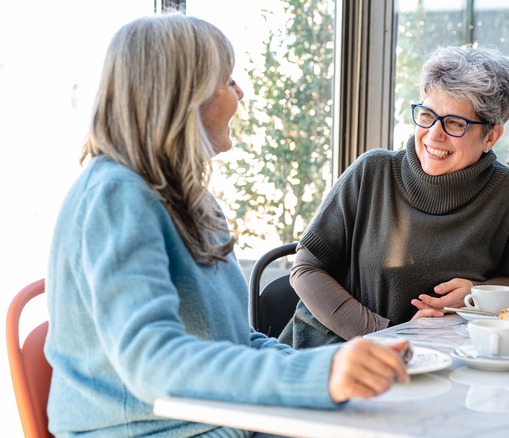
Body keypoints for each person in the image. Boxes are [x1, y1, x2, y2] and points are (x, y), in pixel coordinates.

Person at [44, 13, 409, 437]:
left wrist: (333, 365)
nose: (240, 93)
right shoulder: (116, 196)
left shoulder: (194, 203)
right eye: (227, 81)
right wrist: (319, 375)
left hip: (211, 419)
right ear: (182, 96)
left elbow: (236, 340)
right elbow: (151, 362)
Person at [279, 45, 509, 348]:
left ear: (491, 136)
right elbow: (305, 268)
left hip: (441, 361)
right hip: (333, 353)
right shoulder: (373, 172)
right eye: (427, 115)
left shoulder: (507, 193)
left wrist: (477, 293)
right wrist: (387, 333)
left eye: (455, 123)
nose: (434, 134)